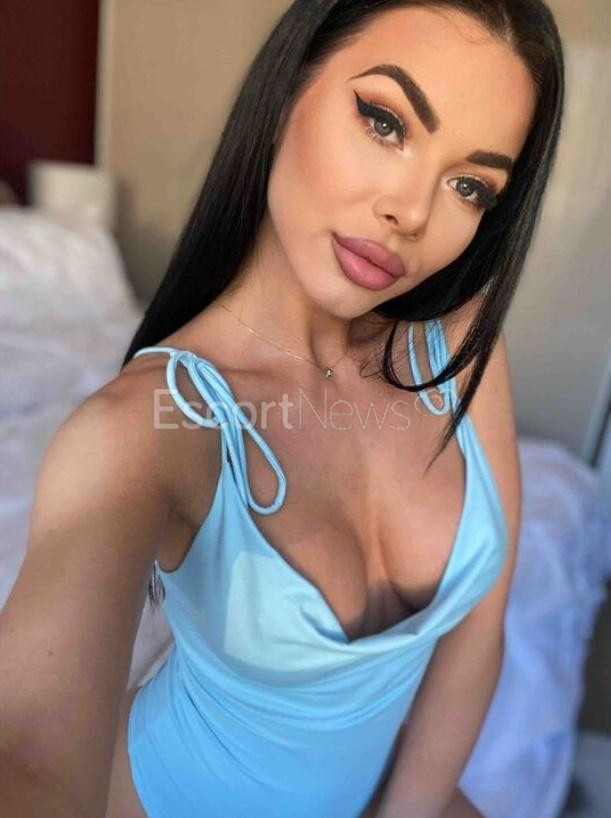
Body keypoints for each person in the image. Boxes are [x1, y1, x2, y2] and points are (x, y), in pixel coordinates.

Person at [0, 1, 565, 816]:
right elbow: (27, 749)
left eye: (468, 185)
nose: (411, 212)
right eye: (384, 122)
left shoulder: (457, 339)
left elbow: (479, 625)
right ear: (287, 91)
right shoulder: (143, 430)